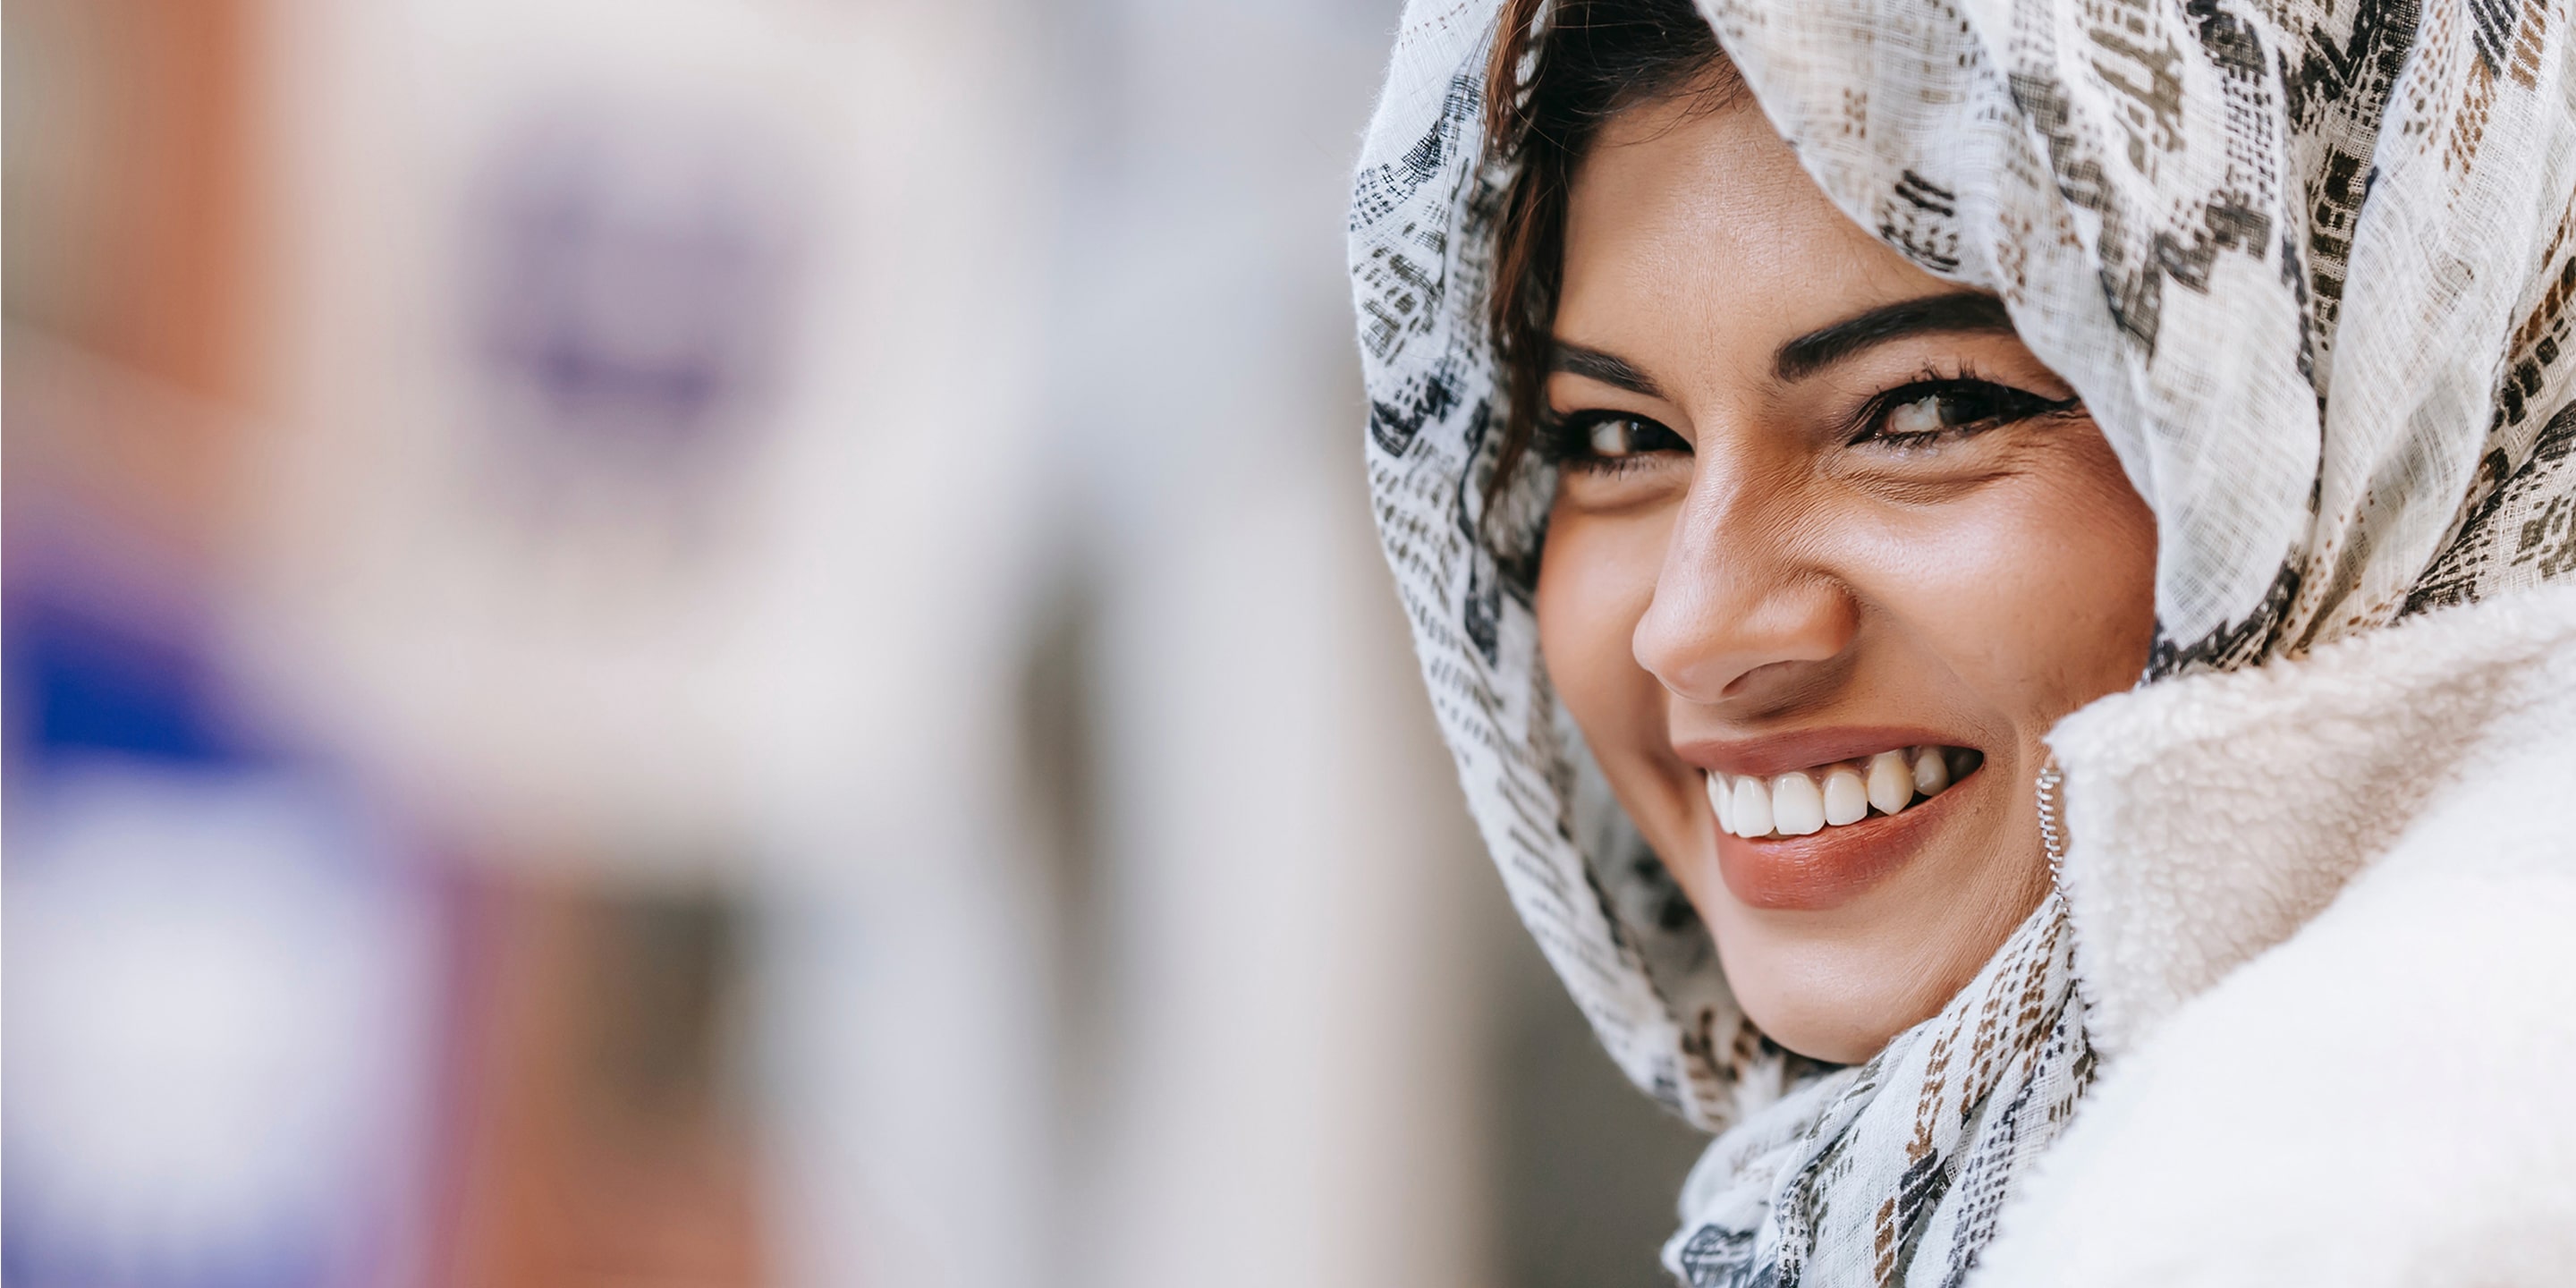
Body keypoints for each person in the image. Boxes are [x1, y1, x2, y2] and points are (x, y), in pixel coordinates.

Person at [1349, 0, 2576, 1283]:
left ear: (2372, 406)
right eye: (1615, 439)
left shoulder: (2389, 1192)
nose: (1694, 628)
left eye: (1924, 411)